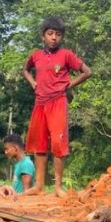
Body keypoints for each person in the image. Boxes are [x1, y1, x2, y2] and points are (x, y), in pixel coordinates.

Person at [22, 16, 92, 197]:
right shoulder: (36, 56)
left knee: (58, 144)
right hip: (40, 102)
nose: (54, 37)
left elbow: (87, 72)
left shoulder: (66, 55)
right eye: (50, 33)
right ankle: (38, 186)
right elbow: (25, 69)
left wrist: (69, 84)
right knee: (39, 144)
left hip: (58, 102)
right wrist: (33, 83)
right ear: (43, 36)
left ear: (62, 37)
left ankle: (58, 187)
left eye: (58, 34)